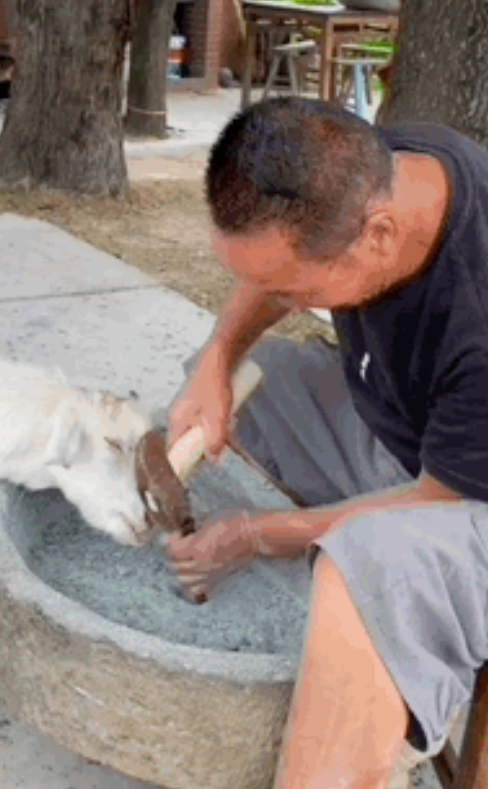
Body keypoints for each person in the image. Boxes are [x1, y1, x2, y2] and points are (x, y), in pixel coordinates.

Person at [166, 96, 488, 789]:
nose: (263, 294)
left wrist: (258, 533)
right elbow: (273, 281)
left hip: (467, 496)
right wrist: (217, 357)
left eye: (285, 285)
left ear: (377, 234)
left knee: (366, 561)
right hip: (409, 433)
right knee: (249, 384)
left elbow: (436, 501)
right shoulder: (384, 164)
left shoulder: (479, 312)